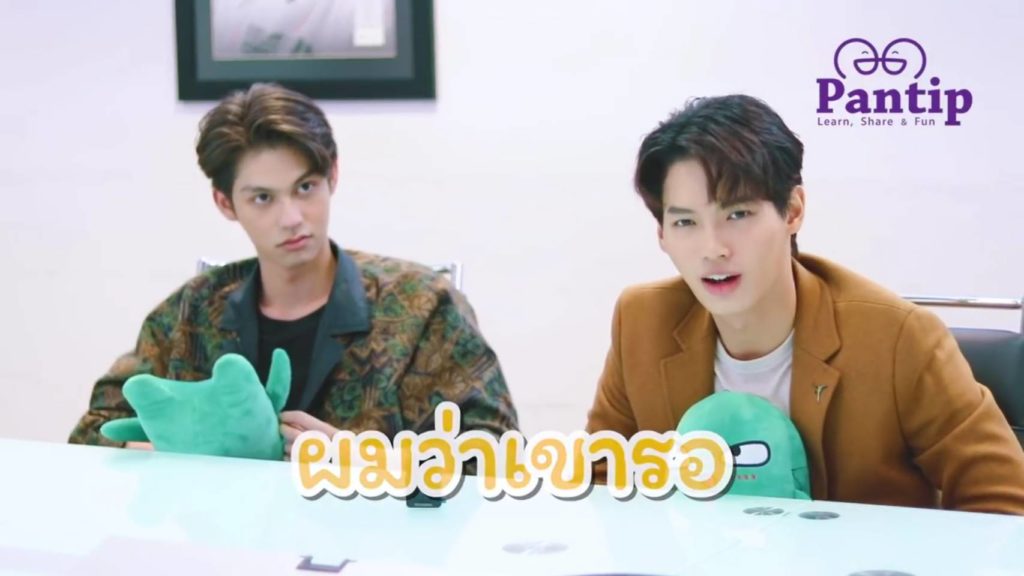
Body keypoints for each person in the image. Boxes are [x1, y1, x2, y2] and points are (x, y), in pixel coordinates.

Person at [585, 94, 1024, 514]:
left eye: (737, 214)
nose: (712, 248)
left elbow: (1006, 503)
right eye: (685, 222)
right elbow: (602, 486)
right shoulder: (641, 322)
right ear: (662, 234)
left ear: (793, 210)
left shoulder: (898, 339)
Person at [69, 83, 519, 456]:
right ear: (225, 203)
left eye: (305, 188)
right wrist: (180, 449)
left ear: (332, 177)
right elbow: (93, 432)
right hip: (222, 533)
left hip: (370, 532)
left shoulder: (421, 305)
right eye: (263, 198)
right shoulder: (192, 311)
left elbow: (495, 451)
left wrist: (363, 460)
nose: (292, 218)